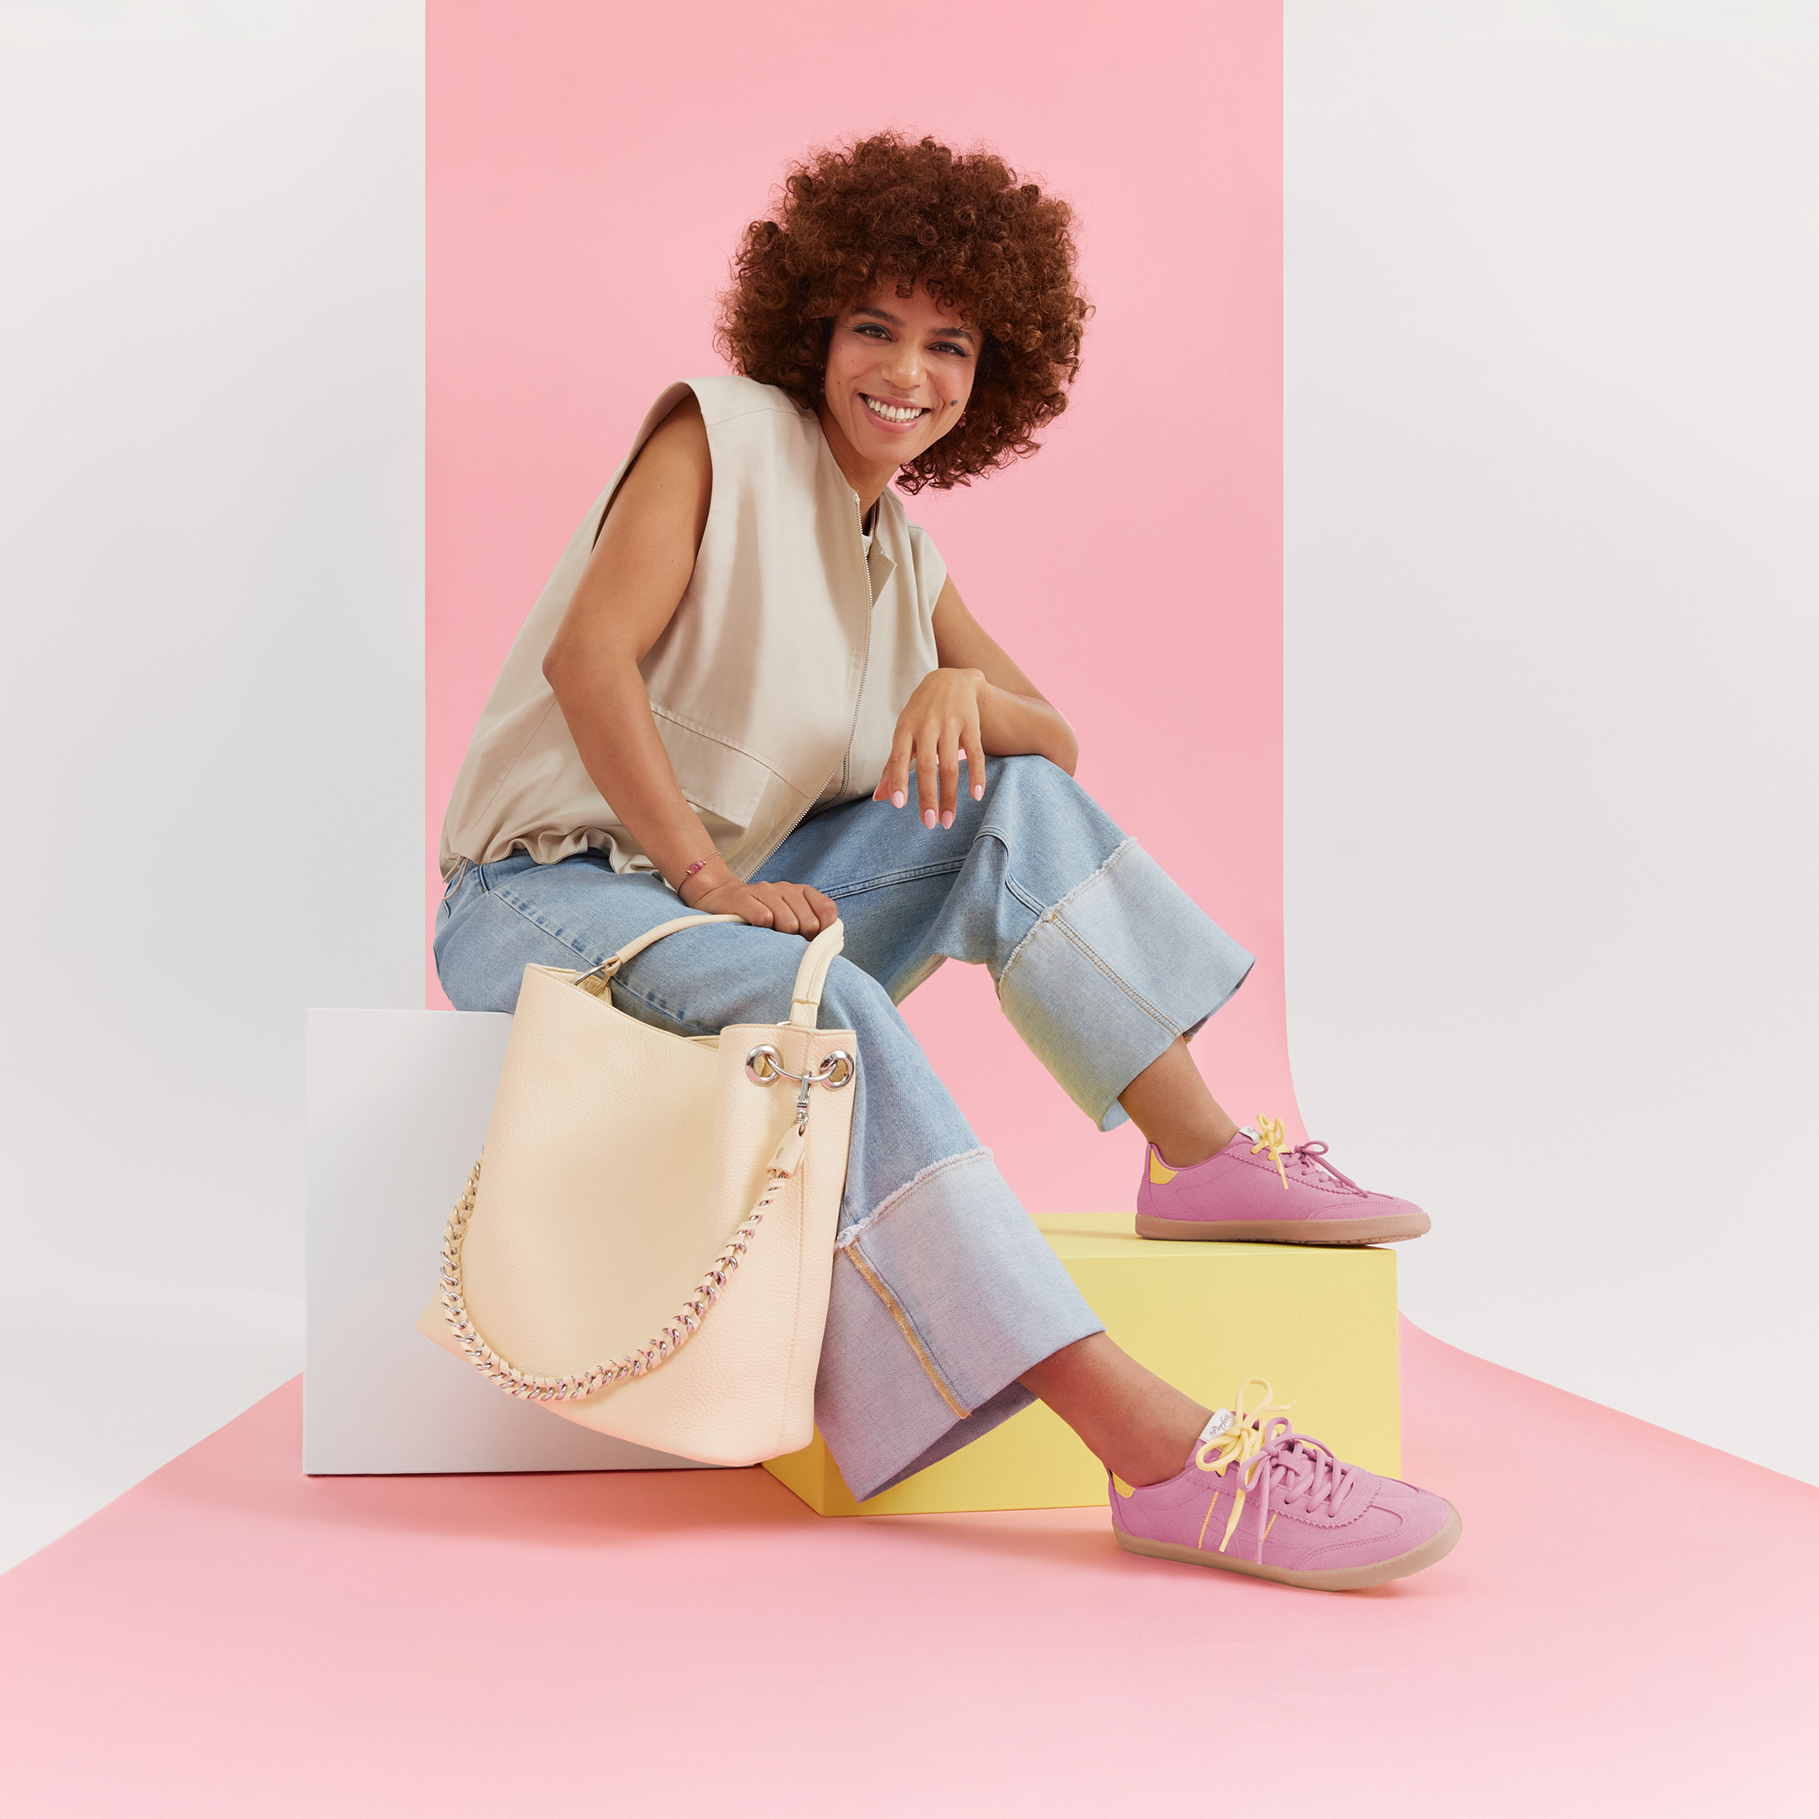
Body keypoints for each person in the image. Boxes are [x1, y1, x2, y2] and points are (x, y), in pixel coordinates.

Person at [435, 132, 1460, 1590]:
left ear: (994, 374)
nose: (905, 372)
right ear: (813, 329)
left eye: (949, 344)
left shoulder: (899, 555)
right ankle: (1165, 1457)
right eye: (873, 328)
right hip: (542, 896)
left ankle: (1204, 1158)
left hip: (716, 904)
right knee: (825, 1007)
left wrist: (961, 692)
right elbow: (589, 661)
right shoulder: (717, 436)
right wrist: (710, 881)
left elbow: (1051, 746)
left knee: (1007, 800)